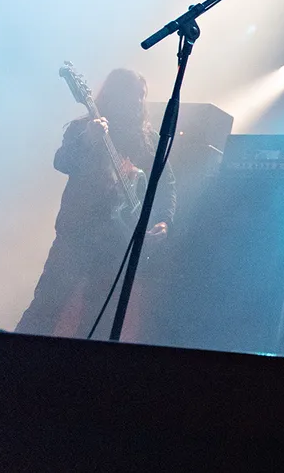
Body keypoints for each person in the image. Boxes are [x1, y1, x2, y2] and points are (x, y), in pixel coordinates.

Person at [16, 68, 176, 339]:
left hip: (118, 243)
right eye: (133, 94)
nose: (139, 101)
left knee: (99, 321)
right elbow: (62, 162)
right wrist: (87, 140)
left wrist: (164, 219)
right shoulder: (83, 128)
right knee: (45, 308)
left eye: (142, 95)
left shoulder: (148, 141)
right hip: (77, 234)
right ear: (116, 94)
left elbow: (167, 183)